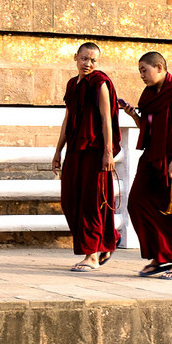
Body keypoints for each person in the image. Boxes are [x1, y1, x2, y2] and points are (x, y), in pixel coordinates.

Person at [119, 51, 172, 280]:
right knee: (137, 203)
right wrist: (133, 115)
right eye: (140, 71)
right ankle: (159, 255)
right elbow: (149, 125)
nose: (141, 75)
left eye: (144, 70)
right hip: (152, 157)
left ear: (160, 67)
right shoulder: (149, 94)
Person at [50, 42, 120, 272]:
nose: (88, 64)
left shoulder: (100, 83)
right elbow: (68, 119)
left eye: (93, 60)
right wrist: (58, 150)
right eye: (84, 59)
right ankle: (108, 241)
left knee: (92, 202)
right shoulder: (72, 84)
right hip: (74, 150)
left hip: (94, 151)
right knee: (70, 201)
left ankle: (92, 255)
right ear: (75, 58)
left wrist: (108, 153)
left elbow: (105, 119)